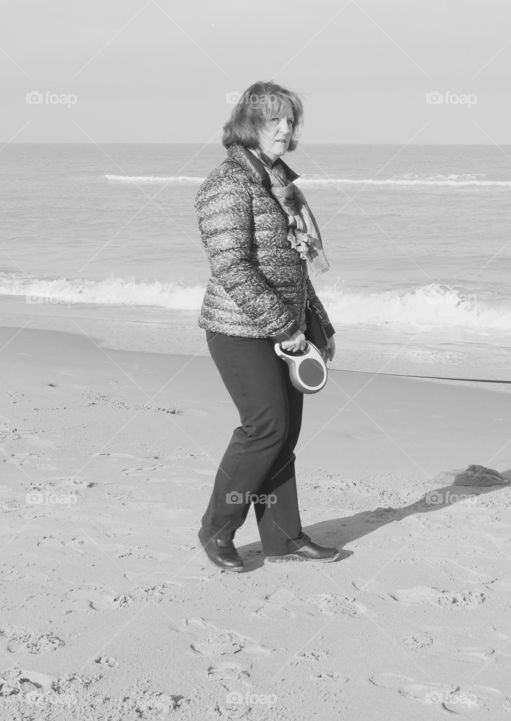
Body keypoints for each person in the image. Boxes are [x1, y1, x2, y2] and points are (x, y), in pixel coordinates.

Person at [194, 80, 338, 571]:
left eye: (290, 120)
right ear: (248, 123)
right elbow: (231, 266)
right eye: (274, 119)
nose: (284, 128)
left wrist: (319, 324)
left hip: (286, 328)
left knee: (286, 433)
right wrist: (284, 328)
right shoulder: (226, 184)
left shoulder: (281, 185)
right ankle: (217, 530)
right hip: (238, 329)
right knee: (265, 429)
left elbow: (295, 266)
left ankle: (283, 537)